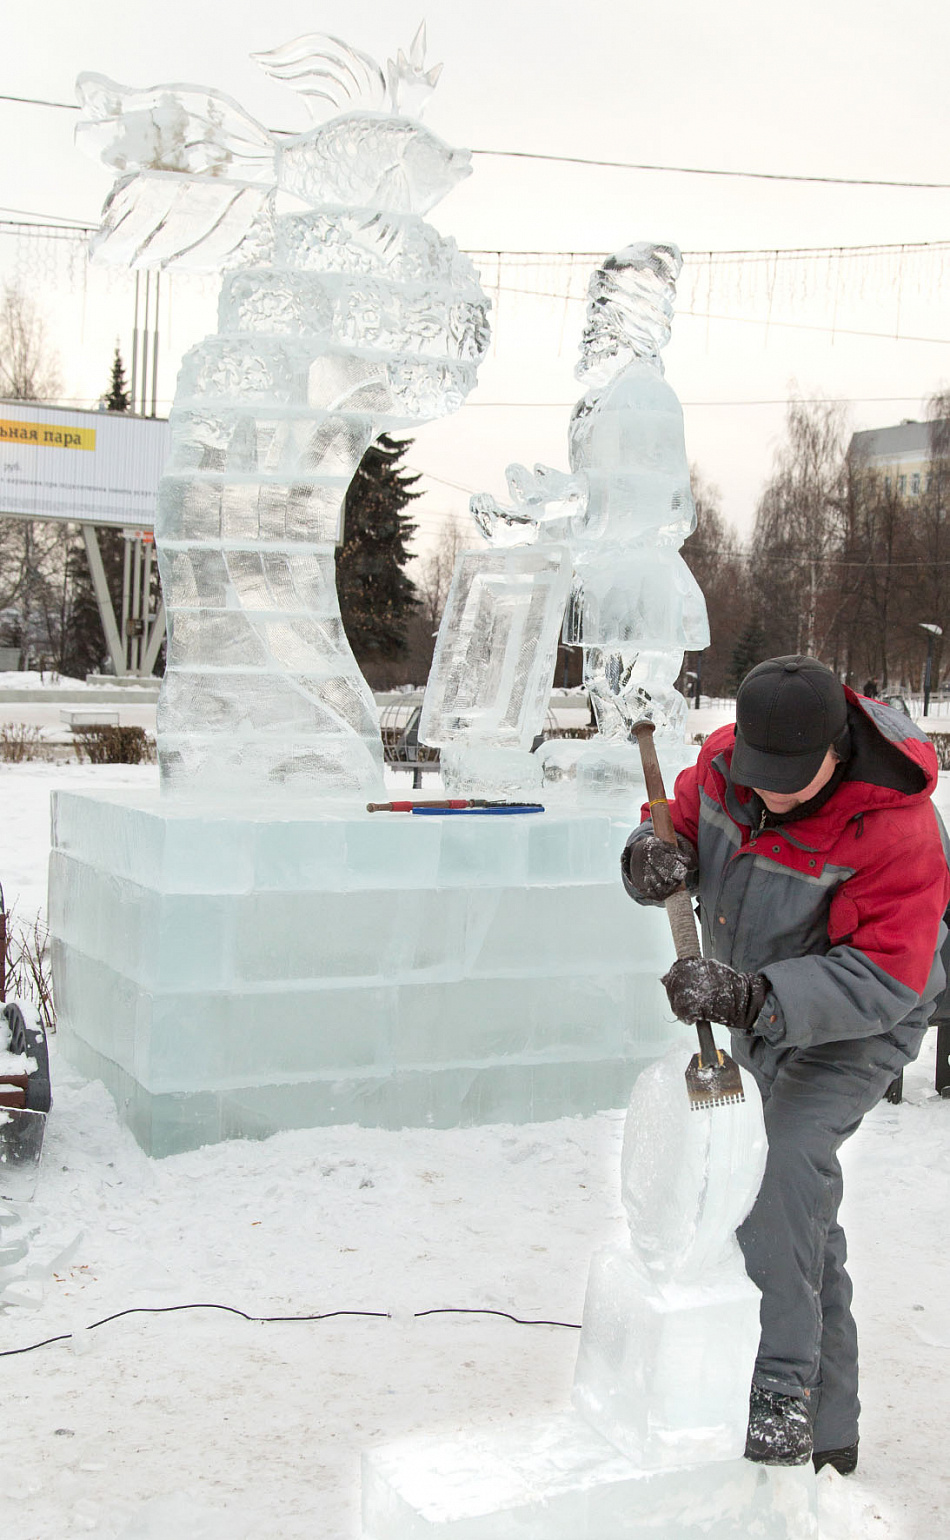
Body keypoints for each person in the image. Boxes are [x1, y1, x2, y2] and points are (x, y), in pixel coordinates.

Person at [621, 656, 950, 1472]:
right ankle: (833, 1438)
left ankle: (783, 1397)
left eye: (790, 781)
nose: (768, 795)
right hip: (762, 1010)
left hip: (860, 1022)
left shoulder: (897, 827)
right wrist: (645, 858)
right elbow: (675, 826)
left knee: (779, 1170)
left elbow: (883, 975)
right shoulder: (731, 765)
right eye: (759, 776)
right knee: (796, 1214)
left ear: (837, 749)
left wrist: (749, 998)